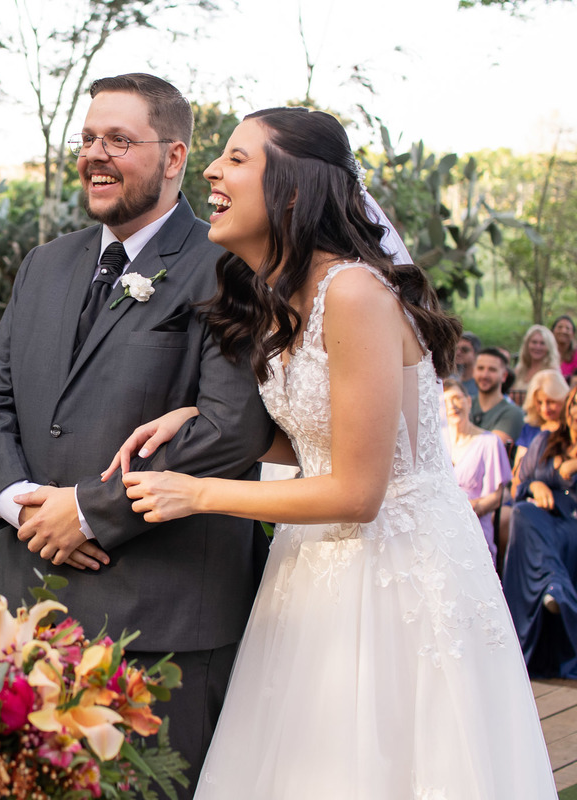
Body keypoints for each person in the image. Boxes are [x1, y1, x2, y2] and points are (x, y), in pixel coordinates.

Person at [111, 107, 554, 797]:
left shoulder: (353, 292)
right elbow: (319, 437)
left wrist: (197, 492)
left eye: (236, 158)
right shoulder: (285, 295)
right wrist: (197, 414)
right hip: (314, 564)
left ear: (292, 188)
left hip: (395, 569)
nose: (212, 171)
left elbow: (357, 489)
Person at [0, 73, 273, 798]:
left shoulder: (232, 264)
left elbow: (231, 430)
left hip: (157, 617)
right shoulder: (44, 264)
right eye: (88, 139)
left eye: (119, 141)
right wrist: (18, 503)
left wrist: (88, 510)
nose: (95, 156)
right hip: (26, 610)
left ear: (173, 158)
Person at [503, 386, 577, 679]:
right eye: (574, 403)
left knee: (532, 526)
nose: (575, 411)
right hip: (543, 520)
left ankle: (557, 591)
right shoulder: (546, 439)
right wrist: (535, 485)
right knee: (523, 512)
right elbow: (518, 486)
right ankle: (554, 589)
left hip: (571, 522)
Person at [442, 379, 511, 561]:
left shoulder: (490, 442)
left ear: (469, 401)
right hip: (439, 521)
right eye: (445, 401)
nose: (452, 406)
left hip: (474, 522)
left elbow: (496, 497)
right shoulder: (436, 443)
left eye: (457, 398)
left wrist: (469, 510)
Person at [471, 347, 525, 447]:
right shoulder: (467, 404)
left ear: (504, 376)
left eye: (492, 370)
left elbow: (493, 446)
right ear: (473, 371)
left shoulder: (513, 413)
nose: (484, 375)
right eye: (480, 368)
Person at [511, 324, 561, 407]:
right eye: (534, 342)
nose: (537, 347)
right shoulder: (519, 369)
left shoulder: (552, 372)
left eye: (542, 343)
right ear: (527, 344)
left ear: (549, 347)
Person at [451, 330, 481, 396]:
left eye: (464, 350)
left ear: (476, 354)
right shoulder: (448, 379)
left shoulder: (481, 382)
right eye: (456, 349)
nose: (458, 353)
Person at [553, 314, 577, 379]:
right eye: (559, 327)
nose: (563, 331)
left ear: (573, 334)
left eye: (568, 328)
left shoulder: (575, 355)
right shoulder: (543, 352)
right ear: (552, 331)